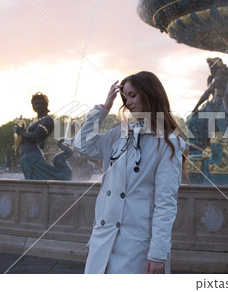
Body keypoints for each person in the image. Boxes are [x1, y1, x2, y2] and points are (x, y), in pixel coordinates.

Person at [74, 71, 186, 274]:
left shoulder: (169, 143)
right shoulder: (119, 134)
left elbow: (165, 203)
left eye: (133, 95)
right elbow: (82, 145)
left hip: (136, 246)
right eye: (125, 97)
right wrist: (103, 108)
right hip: (103, 240)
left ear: (150, 94)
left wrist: (158, 253)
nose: (128, 103)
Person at [14, 92, 72, 180]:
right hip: (28, 156)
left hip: (33, 158)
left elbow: (35, 136)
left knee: (35, 185)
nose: (37, 106)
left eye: (39, 103)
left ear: (45, 104)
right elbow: (40, 141)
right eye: (35, 104)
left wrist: (21, 132)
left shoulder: (47, 120)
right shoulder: (37, 120)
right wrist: (22, 130)